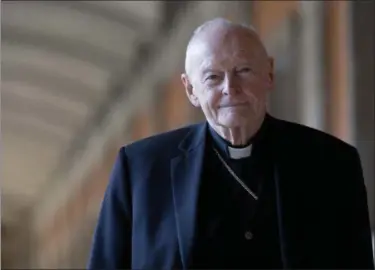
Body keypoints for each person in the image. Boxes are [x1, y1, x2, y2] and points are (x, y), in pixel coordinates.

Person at [87, 18, 374, 269]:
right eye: (213, 77)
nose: (230, 88)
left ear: (269, 73)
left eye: (244, 70)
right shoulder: (140, 169)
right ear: (190, 89)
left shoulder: (333, 163)